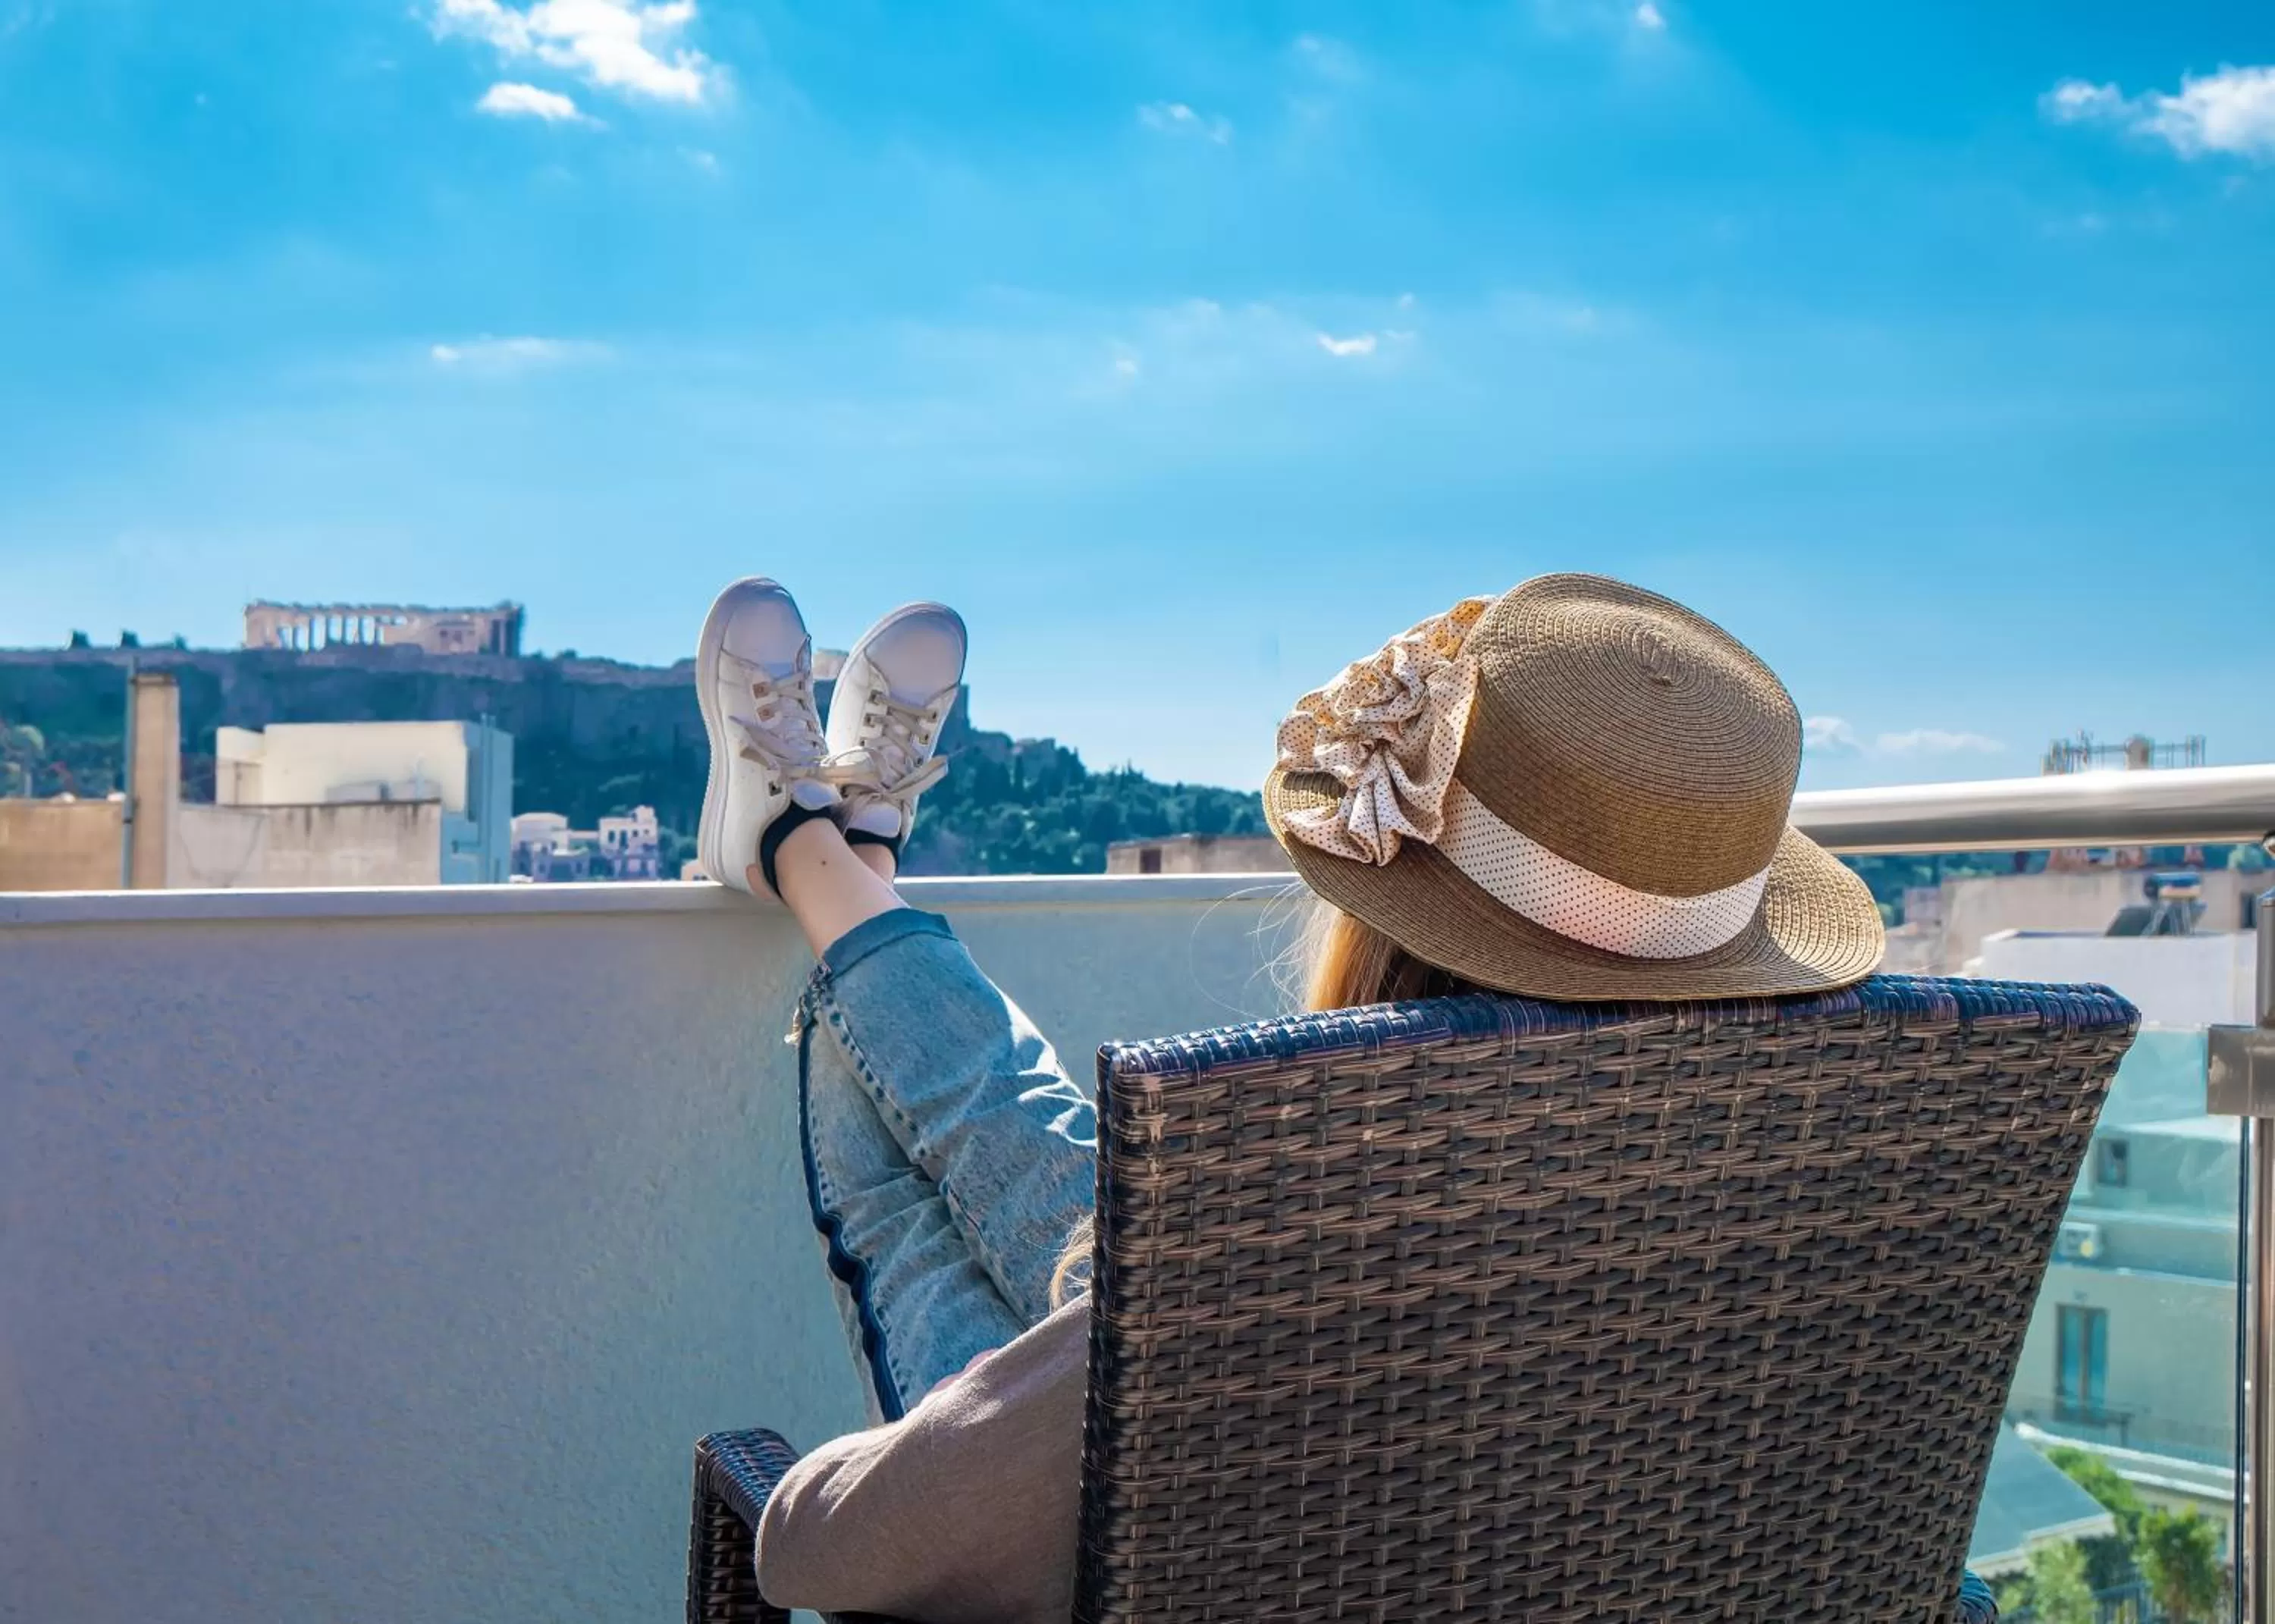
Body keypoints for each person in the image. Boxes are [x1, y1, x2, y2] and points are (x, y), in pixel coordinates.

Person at [696, 573, 1992, 1624]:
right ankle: (836, 850)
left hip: (1210, 1469)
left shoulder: (1300, 1275)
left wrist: (811, 1486)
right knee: (1034, 1162)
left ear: (1386, 931)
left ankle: (807, 845)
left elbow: (822, 1549)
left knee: (971, 1179)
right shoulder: (1831, 1271)